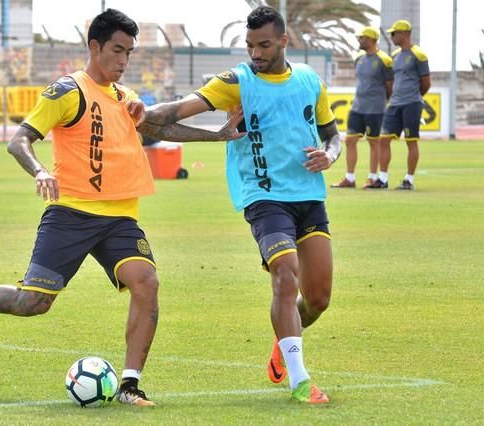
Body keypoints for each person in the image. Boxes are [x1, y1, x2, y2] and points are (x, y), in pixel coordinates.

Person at [0, 8, 242, 408]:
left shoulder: (126, 98)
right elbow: (19, 141)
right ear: (94, 46)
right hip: (71, 214)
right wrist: (40, 171)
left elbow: (159, 129)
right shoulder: (67, 91)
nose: (124, 60)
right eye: (117, 50)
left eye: (129, 52)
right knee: (33, 303)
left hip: (120, 218)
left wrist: (220, 136)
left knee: (147, 283)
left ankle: (130, 385)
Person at [144, 6, 340, 404]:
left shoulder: (310, 81)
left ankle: (285, 343)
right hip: (264, 196)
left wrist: (330, 155)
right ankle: (300, 380)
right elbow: (169, 116)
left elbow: (333, 135)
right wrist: (141, 114)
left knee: (318, 298)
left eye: (264, 45)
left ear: (285, 41)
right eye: (250, 45)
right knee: (286, 275)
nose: (256, 53)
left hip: (308, 195)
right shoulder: (236, 81)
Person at [332, 26, 393, 189]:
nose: (359, 40)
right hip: (358, 107)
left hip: (376, 109)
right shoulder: (359, 58)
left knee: (374, 142)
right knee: (350, 140)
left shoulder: (385, 60)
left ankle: (373, 177)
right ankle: (349, 178)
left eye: (362, 38)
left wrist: (382, 101)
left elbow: (389, 86)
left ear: (372, 39)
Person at [374, 19, 430, 190]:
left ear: (405, 34)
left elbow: (426, 83)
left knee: (411, 141)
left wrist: (414, 97)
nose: (391, 36)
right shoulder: (395, 56)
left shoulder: (419, 55)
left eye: (394, 33)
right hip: (395, 103)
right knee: (383, 140)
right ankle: (382, 179)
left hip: (412, 103)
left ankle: (409, 180)